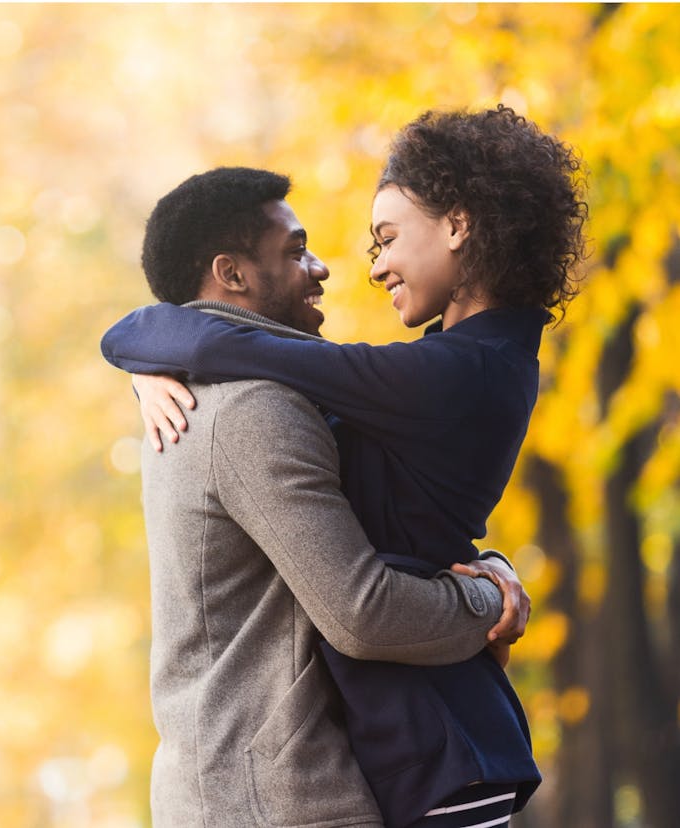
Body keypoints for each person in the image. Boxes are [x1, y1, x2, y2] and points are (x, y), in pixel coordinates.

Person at [102, 106, 587, 826]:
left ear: (458, 227)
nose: (350, 265)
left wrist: (140, 347)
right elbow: (373, 591)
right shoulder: (250, 413)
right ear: (230, 273)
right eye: (298, 250)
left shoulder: (455, 372)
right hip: (296, 787)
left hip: (423, 748)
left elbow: (226, 347)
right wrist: (490, 595)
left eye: (387, 238)